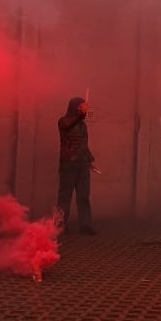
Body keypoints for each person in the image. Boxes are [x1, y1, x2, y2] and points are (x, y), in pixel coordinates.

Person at [56, 97, 97, 235]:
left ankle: (85, 226)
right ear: (74, 108)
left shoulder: (82, 125)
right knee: (65, 196)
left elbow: (84, 144)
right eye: (80, 106)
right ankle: (59, 225)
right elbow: (69, 125)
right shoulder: (63, 121)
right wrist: (80, 115)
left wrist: (90, 159)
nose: (82, 109)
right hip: (68, 164)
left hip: (82, 164)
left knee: (83, 196)